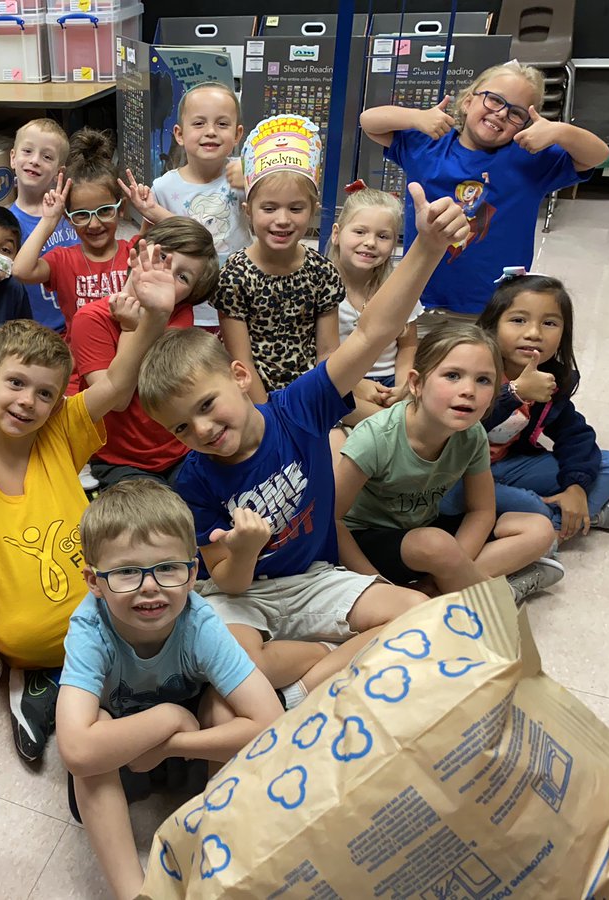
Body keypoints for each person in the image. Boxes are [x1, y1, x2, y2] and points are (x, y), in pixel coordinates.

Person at [137, 182, 469, 683]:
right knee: (236, 667)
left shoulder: (298, 409)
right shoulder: (193, 479)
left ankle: (307, 680)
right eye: (182, 426)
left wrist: (427, 246)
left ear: (240, 376)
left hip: (315, 580)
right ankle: (327, 660)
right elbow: (228, 581)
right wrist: (245, 550)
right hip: (241, 596)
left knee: (421, 614)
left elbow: (373, 333)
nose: (202, 429)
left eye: (207, 405)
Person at [0, 242, 177, 762]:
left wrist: (154, 317)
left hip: (102, 617)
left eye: (45, 394)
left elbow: (116, 383)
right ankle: (48, 682)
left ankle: (42, 687)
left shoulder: (59, 429)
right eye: (16, 384)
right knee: (129, 699)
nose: (28, 401)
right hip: (36, 635)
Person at [56, 480, 282, 900]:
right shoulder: (90, 629)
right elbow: (76, 750)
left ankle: (218, 859)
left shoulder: (199, 622)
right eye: (126, 571)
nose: (150, 586)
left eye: (168, 568)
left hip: (193, 748)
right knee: (93, 736)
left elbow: (273, 726)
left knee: (224, 704)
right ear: (94, 581)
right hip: (125, 756)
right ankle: (134, 893)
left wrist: (172, 744)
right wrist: (169, 717)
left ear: (193, 573)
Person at [360, 61, 609, 323]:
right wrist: (415, 117)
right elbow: (369, 122)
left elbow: (597, 155)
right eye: (494, 100)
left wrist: (559, 131)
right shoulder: (428, 146)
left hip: (495, 309)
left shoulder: (531, 161)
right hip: (419, 300)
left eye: (516, 113)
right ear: (468, 102)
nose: (501, 114)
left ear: (524, 125)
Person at [334, 324, 563, 603]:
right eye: (452, 376)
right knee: (435, 544)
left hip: (425, 535)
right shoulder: (375, 438)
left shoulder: (472, 434)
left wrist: (452, 565)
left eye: (483, 380)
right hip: (368, 544)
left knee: (539, 528)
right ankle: (492, 595)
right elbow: (331, 521)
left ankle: (432, 591)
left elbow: (481, 511)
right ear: (416, 384)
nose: (468, 390)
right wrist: (378, 586)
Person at [440, 271, 609, 540]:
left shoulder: (551, 380)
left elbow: (574, 434)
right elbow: (455, 429)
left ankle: (556, 528)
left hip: (509, 467)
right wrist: (514, 394)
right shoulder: (472, 371)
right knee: (524, 505)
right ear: (492, 327)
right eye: (518, 320)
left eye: (550, 323)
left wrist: (576, 487)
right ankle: (563, 520)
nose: (533, 333)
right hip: (459, 475)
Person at [71, 217, 218, 490]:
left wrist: (141, 323)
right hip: (119, 459)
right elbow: (117, 400)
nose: (165, 274)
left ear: (191, 294)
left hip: (180, 449)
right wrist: (131, 329)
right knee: (151, 512)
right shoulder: (91, 319)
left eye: (182, 277)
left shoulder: (179, 314)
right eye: (162, 257)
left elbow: (163, 373)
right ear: (137, 252)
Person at [215, 115, 343, 400]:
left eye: (296, 209)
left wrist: (312, 407)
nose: (283, 220)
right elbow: (241, 362)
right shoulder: (234, 275)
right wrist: (269, 417)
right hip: (251, 398)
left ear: (313, 210)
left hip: (309, 396)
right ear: (248, 211)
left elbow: (328, 354)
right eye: (269, 208)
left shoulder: (323, 272)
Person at [12, 128, 134, 341]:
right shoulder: (63, 260)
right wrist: (49, 220)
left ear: (121, 208)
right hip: (80, 354)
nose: (94, 224)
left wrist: (150, 212)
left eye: (105, 211)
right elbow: (21, 271)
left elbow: (186, 243)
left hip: (129, 351)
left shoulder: (134, 252)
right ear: (68, 218)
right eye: (81, 215)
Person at [121, 82, 252, 266]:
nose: (211, 132)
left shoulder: (244, 171)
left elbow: (286, 182)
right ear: (180, 134)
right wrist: (149, 210)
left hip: (240, 275)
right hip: (187, 277)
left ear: (237, 134)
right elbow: (147, 240)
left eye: (222, 124)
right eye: (199, 123)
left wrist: (253, 171)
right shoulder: (163, 187)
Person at [0, 117, 77, 332]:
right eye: (27, 151)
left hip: (73, 323)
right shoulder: (7, 222)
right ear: (13, 157)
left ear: (59, 172)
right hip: (28, 332)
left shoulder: (71, 213)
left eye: (46, 157)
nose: (35, 160)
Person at [328, 185, 417, 426]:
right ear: (336, 234)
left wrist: (402, 386)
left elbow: (408, 344)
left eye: (383, 236)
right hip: (339, 381)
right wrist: (357, 384)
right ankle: (394, 423)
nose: (370, 243)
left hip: (390, 384)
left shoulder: (400, 288)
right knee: (327, 401)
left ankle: (396, 421)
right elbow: (322, 353)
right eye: (360, 232)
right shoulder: (321, 287)